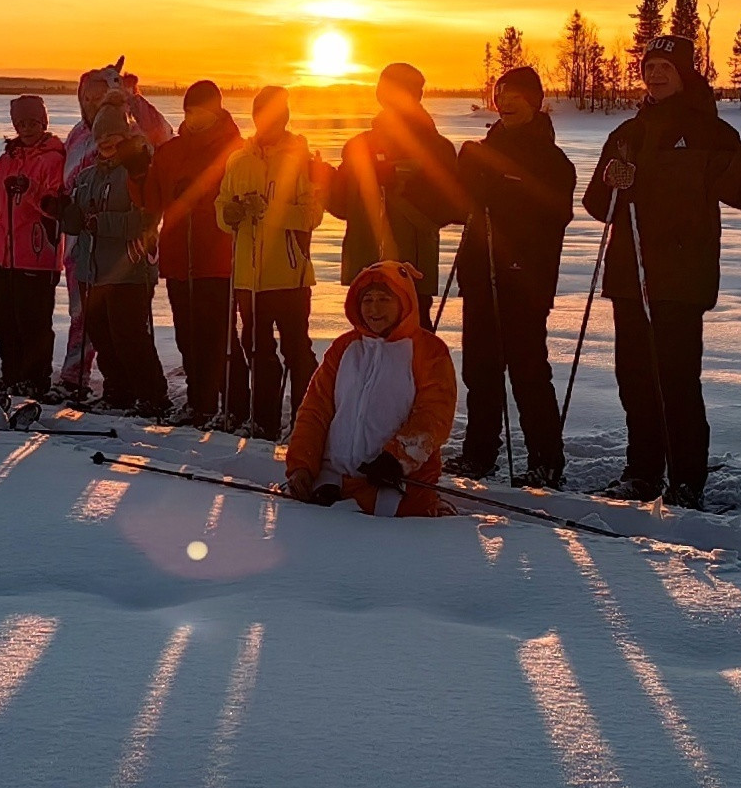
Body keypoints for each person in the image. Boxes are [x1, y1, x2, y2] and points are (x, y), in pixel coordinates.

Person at [581, 32, 741, 507]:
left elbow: (739, 193)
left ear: (686, 73)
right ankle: (642, 472)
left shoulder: (711, 131)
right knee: (634, 378)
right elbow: (595, 203)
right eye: (649, 67)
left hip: (681, 277)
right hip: (630, 275)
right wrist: (613, 183)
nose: (656, 74)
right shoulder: (627, 132)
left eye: (666, 66)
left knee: (677, 381)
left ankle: (686, 480)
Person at [452, 65, 576, 485]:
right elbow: (456, 204)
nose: (505, 102)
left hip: (525, 278)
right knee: (480, 370)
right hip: (479, 274)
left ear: (535, 102)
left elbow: (556, 215)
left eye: (515, 96)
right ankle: (479, 453)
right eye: (499, 95)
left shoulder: (552, 160)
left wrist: (505, 194)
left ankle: (545, 460)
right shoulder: (482, 150)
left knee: (528, 371)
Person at [284, 262, 456, 516]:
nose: (374, 309)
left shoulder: (429, 350)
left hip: (396, 483)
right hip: (334, 479)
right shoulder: (344, 348)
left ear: (404, 301)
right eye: (368, 300)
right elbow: (315, 410)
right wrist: (301, 465)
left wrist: (397, 459)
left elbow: (434, 414)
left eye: (384, 299)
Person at [58, 59, 173, 398]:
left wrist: (130, 95)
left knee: (127, 329)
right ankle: (88, 379)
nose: (93, 102)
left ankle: (146, 391)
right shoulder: (78, 136)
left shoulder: (136, 139)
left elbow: (164, 135)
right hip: (85, 251)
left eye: (101, 94)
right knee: (90, 319)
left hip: (127, 258)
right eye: (88, 97)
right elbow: (70, 187)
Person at [216, 85, 324, 438]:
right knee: (258, 352)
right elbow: (221, 208)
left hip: (290, 275)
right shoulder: (238, 158)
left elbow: (312, 215)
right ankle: (263, 421)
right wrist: (231, 213)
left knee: (298, 352)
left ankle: (306, 423)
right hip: (249, 277)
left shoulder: (299, 158)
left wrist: (272, 213)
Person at [327, 61, 468, 323]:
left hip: (411, 270)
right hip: (366, 265)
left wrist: (401, 184)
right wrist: (324, 179)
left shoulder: (436, 147)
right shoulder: (359, 146)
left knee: (412, 345)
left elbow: (453, 206)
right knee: (367, 350)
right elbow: (342, 206)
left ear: (415, 95)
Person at [145, 79, 243, 425]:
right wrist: (133, 173)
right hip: (178, 258)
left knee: (219, 338)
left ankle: (231, 406)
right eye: (190, 112)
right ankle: (199, 403)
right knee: (187, 337)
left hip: (217, 260)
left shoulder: (235, 151)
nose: (196, 119)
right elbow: (151, 202)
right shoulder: (169, 152)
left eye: (203, 112)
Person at [0, 94, 67, 397]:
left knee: (34, 323)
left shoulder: (53, 158)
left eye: (33, 122)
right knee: (4, 321)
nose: (26, 128)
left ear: (44, 122)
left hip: (37, 255)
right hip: (6, 255)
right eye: (21, 123)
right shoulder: (8, 159)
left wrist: (32, 191)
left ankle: (36, 379)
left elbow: (55, 205)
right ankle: (12, 375)